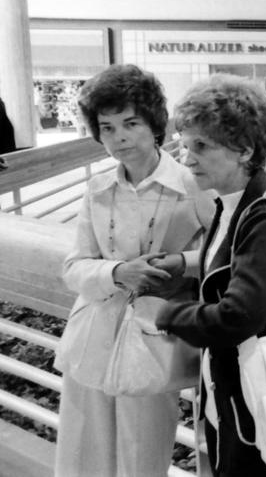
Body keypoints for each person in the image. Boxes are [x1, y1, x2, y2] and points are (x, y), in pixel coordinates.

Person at [155, 74, 266, 476]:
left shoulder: (263, 215)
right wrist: (183, 263)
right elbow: (235, 260)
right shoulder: (232, 205)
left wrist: (166, 315)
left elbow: (238, 316)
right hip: (236, 399)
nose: (185, 156)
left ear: (244, 150)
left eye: (201, 146)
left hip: (258, 407)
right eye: (183, 142)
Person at [54, 64, 214, 477]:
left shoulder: (191, 184)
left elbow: (224, 257)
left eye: (130, 123)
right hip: (93, 337)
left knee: (141, 457)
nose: (119, 137)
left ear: (154, 124)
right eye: (106, 128)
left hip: (152, 341)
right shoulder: (98, 189)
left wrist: (180, 263)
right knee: (82, 453)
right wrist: (117, 273)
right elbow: (74, 266)